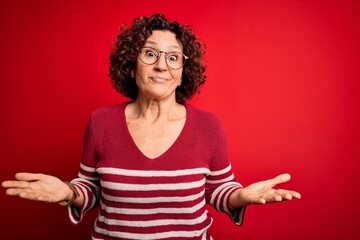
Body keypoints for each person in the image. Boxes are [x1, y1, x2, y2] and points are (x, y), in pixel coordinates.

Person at [2, 14, 301, 240]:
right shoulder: (101, 122)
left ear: (184, 72)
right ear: (132, 65)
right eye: (150, 53)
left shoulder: (209, 127)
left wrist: (240, 197)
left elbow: (218, 190)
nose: (162, 66)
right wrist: (68, 192)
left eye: (173, 58)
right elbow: (91, 189)